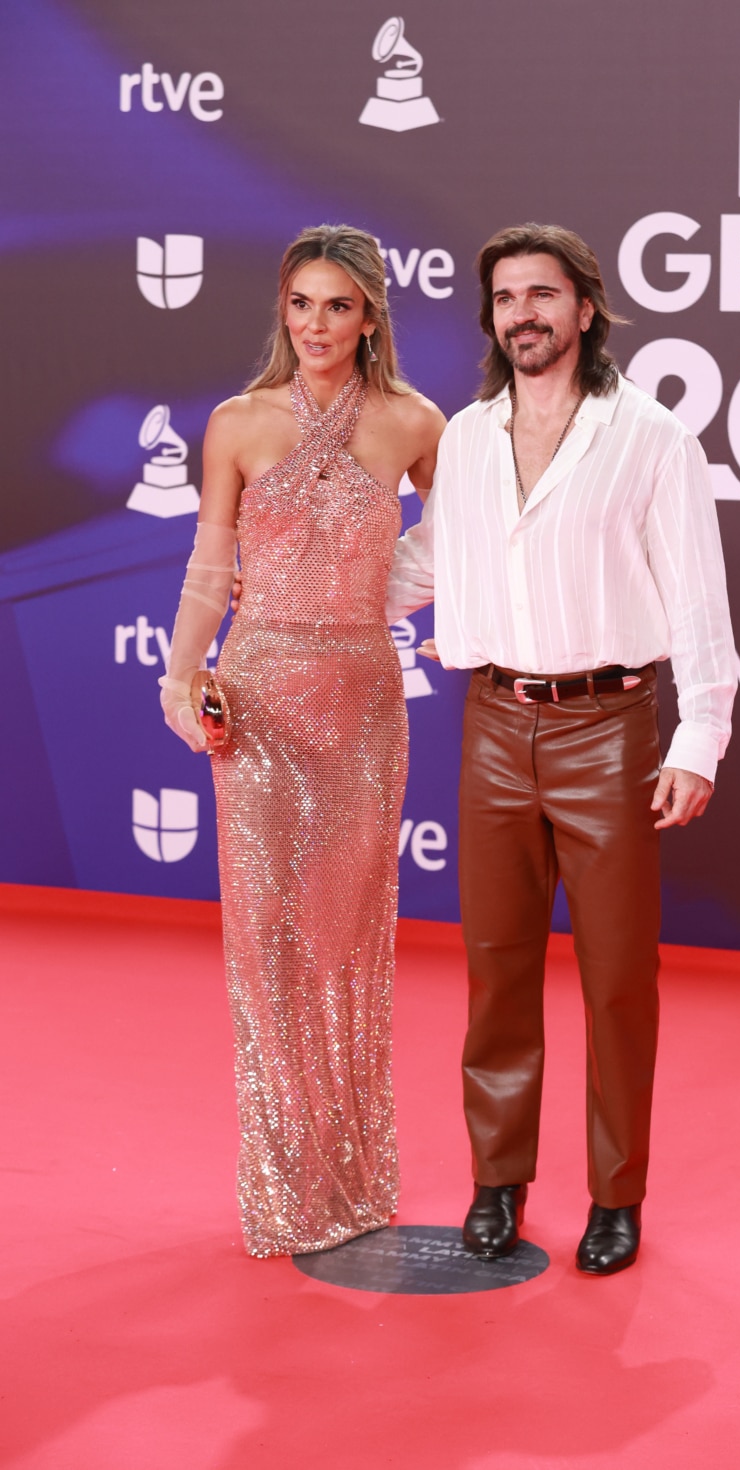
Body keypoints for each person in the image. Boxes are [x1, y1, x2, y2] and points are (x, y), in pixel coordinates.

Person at [386, 223, 737, 1276]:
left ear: (585, 309)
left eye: (543, 294)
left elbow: (696, 601)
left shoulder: (651, 438)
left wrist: (700, 736)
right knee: (495, 972)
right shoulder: (464, 437)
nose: (522, 314)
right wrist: (304, 587)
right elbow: (420, 564)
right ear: (491, 317)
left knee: (617, 980)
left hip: (610, 732)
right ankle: (497, 1183)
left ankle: (614, 1196)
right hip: (492, 726)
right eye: (505, 298)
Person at [159, 224, 444, 1258]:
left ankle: (354, 1176)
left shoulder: (417, 422)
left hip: (365, 702)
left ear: (370, 314)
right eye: (300, 304)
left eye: (337, 305)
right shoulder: (236, 424)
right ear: (281, 311)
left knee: (345, 942)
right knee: (267, 945)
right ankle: (284, 1187)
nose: (316, 325)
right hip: (264, 696)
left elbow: (461, 552)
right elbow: (206, 568)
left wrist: (395, 605)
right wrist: (180, 674)